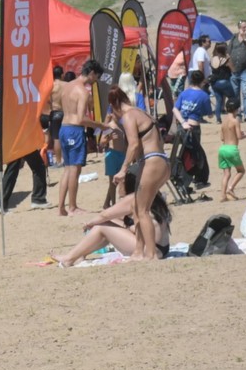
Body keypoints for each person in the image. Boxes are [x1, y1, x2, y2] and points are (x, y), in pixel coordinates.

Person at [48, 173, 172, 266]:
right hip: (162, 248)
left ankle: (68, 259)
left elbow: (105, 215)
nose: (116, 183)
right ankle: (80, 255)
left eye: (120, 181)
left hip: (150, 250)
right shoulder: (153, 194)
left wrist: (90, 223)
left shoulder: (133, 198)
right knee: (107, 225)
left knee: (102, 226)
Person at [105, 88, 170, 261]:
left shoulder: (128, 116)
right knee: (137, 207)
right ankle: (139, 250)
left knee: (142, 210)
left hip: (151, 161)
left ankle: (151, 254)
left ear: (114, 104)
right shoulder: (141, 112)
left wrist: (123, 169)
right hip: (161, 160)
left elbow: (133, 145)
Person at [56, 61, 102, 216]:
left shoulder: (67, 86)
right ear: (92, 73)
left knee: (68, 169)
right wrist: (101, 125)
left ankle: (61, 207)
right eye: (97, 76)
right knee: (75, 169)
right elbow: (82, 118)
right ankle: (73, 207)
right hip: (74, 130)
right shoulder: (83, 91)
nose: (96, 80)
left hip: (64, 128)